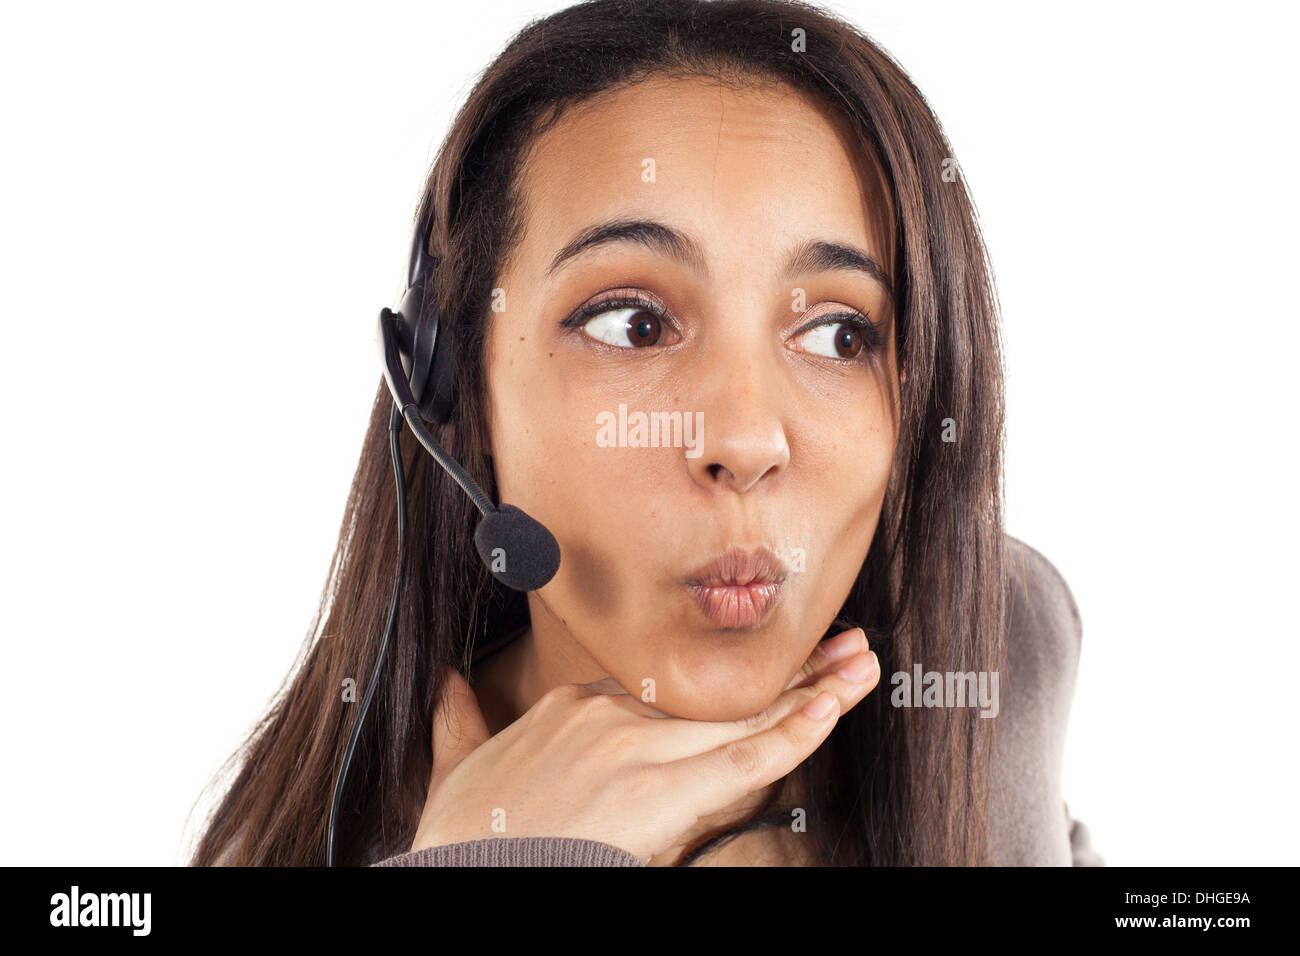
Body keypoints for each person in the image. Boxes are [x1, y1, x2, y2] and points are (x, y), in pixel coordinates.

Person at [189, 0, 1100, 867]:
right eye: (632, 323)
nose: (744, 442)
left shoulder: (992, 643)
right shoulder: (315, 837)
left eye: (838, 334)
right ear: (451, 384)